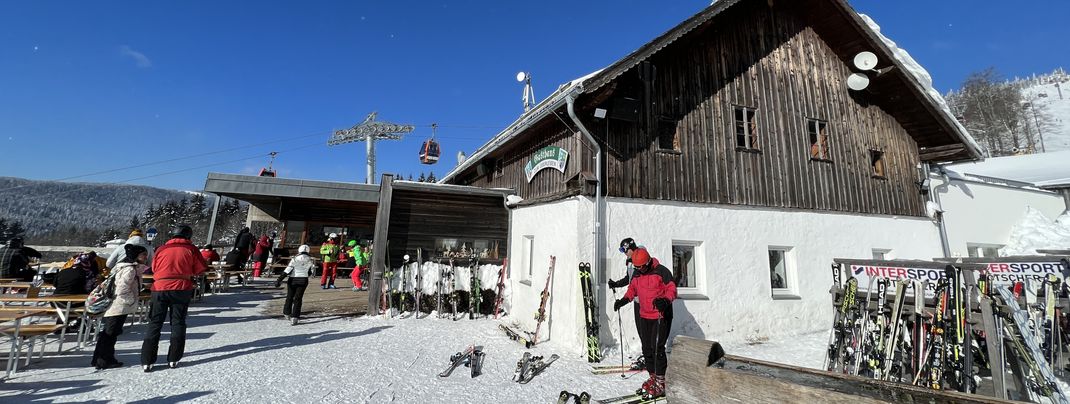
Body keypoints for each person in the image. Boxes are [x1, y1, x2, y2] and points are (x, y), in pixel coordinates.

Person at [140, 224, 208, 372]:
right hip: (181, 288)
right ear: (188, 236)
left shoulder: (161, 249)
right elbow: (201, 268)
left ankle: (147, 360)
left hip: (159, 288)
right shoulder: (191, 249)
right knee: (177, 322)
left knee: (155, 323)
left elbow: (154, 267)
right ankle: (173, 358)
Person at [612, 248, 677, 399]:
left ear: (648, 262)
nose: (639, 270)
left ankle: (661, 381)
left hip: (661, 315)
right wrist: (623, 300)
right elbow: (632, 289)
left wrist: (665, 300)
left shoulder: (661, 271)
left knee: (657, 348)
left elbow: (672, 289)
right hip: (645, 315)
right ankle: (653, 377)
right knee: (646, 348)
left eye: (641, 267)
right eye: (637, 267)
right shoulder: (637, 273)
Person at [91, 244, 147, 370]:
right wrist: (131, 300)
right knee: (111, 333)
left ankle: (99, 358)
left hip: (115, 303)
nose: (146, 257)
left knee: (108, 333)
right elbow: (122, 288)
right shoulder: (130, 269)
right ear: (136, 256)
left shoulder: (121, 266)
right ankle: (105, 360)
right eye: (143, 255)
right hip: (119, 304)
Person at [608, 237, 646, 369]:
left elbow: (637, 281)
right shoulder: (630, 261)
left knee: (646, 330)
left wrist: (623, 300)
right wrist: (616, 284)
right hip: (637, 300)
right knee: (641, 330)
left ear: (630, 248)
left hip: (645, 301)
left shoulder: (641, 260)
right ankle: (647, 355)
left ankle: (650, 357)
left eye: (624, 250)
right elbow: (629, 279)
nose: (624, 253)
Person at [275, 244, 315, 325]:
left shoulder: (295, 259)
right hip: (303, 280)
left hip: (293, 279)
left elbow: (288, 270)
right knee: (298, 298)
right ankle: (295, 316)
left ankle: (286, 312)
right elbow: (311, 272)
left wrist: (279, 280)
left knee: (289, 296)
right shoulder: (310, 260)